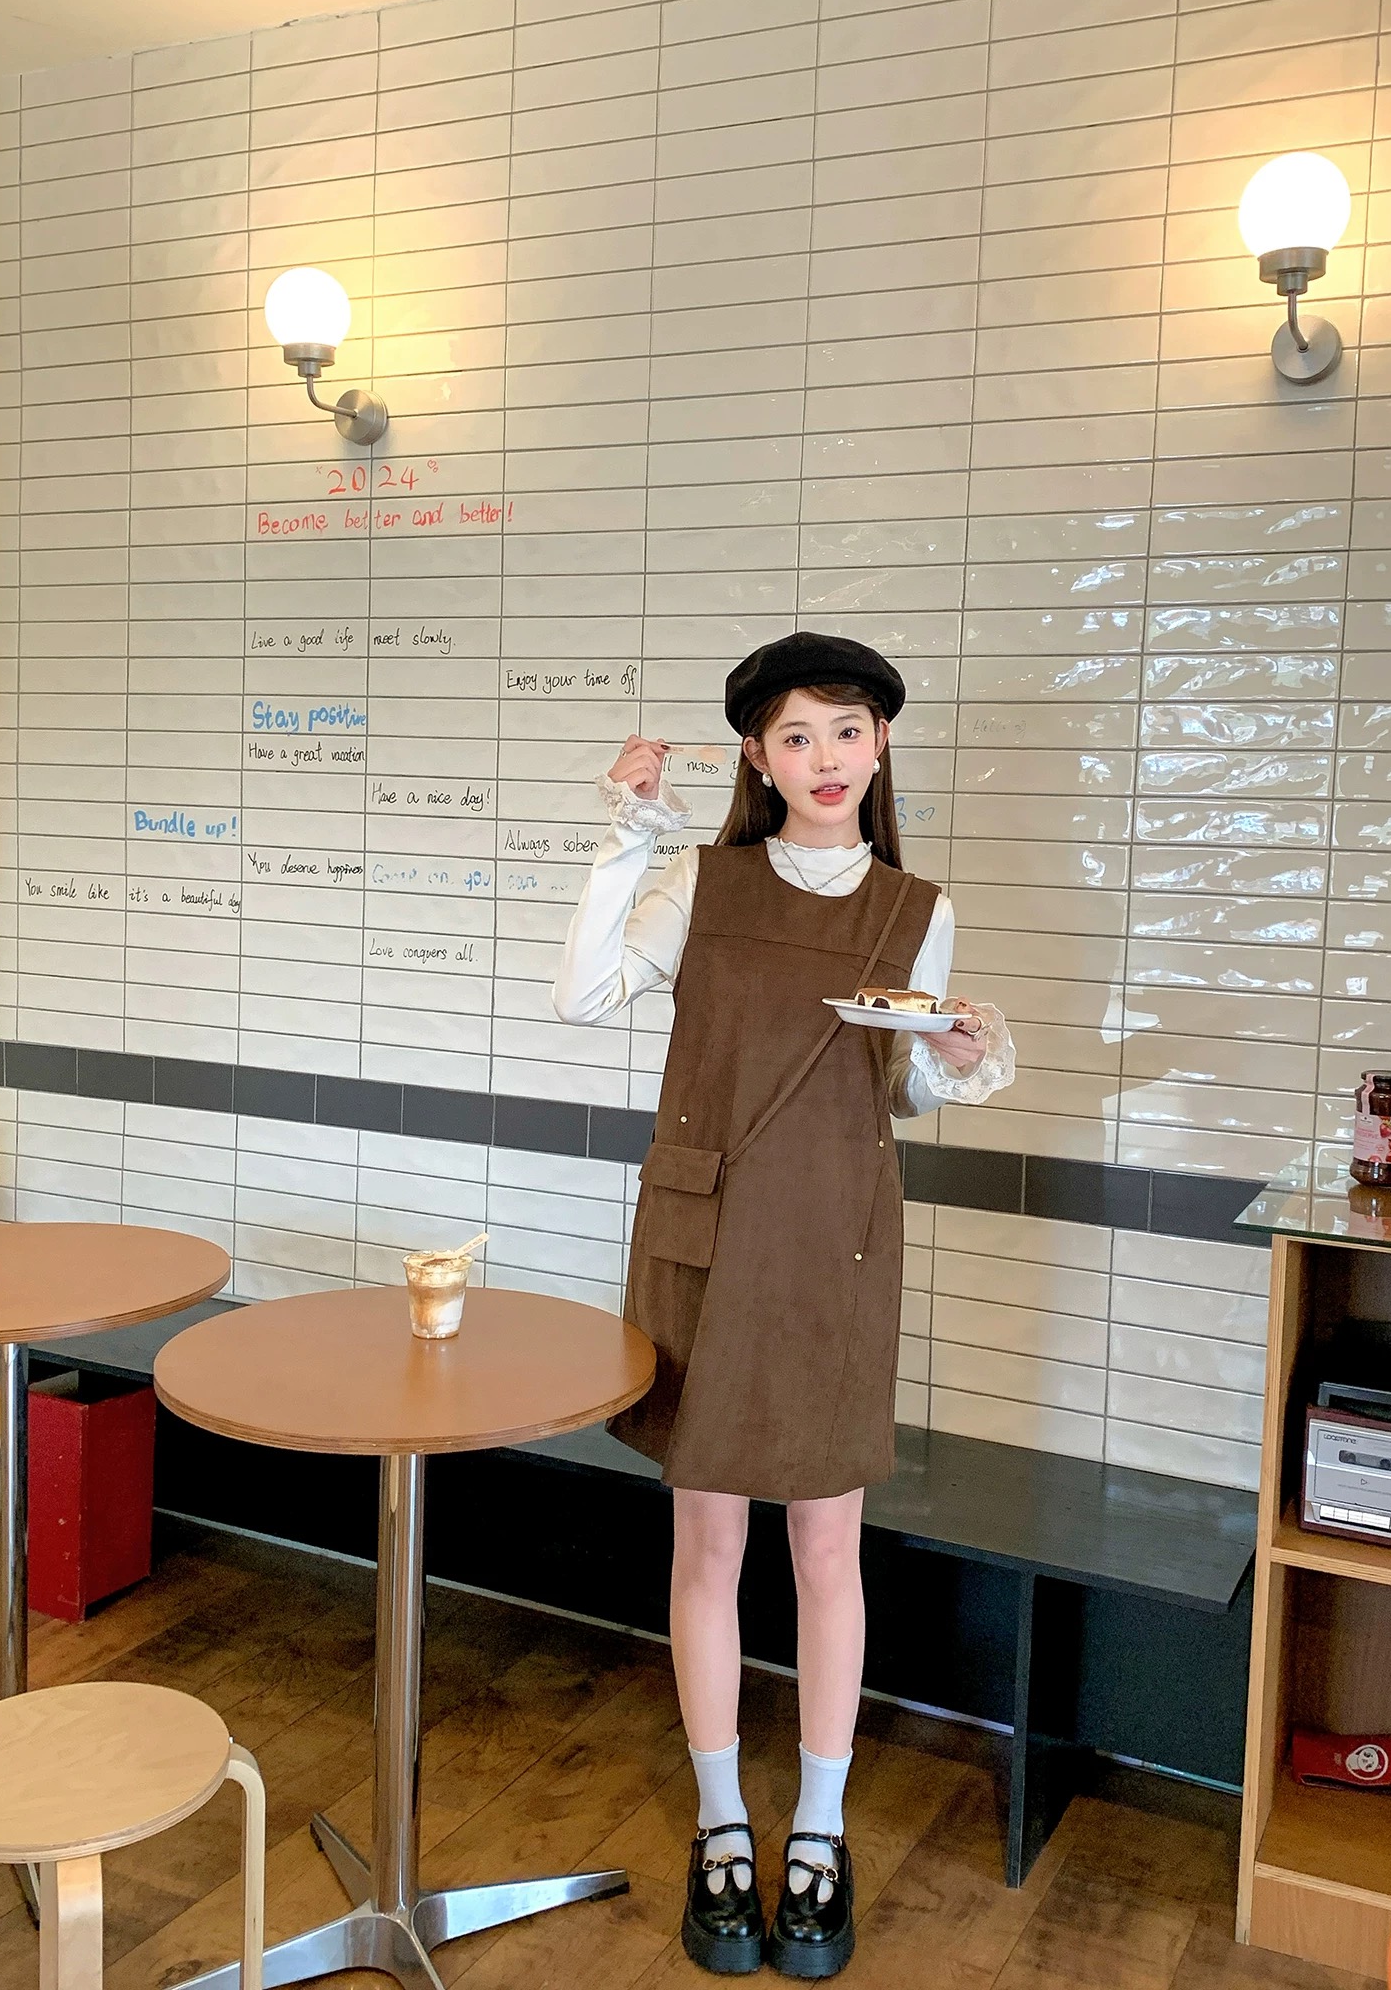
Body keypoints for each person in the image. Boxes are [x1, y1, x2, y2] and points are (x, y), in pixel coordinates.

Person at [553, 629, 1014, 1977]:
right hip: (705, 1237)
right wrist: (626, 834)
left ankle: (817, 1827)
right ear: (755, 757)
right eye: (798, 736)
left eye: (848, 732)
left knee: (825, 1548)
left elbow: (901, 1086)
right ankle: (720, 1822)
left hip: (836, 1244)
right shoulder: (702, 879)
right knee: (706, 1544)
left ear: (881, 747)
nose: (826, 759)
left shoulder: (917, 907)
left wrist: (958, 1052)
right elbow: (581, 997)